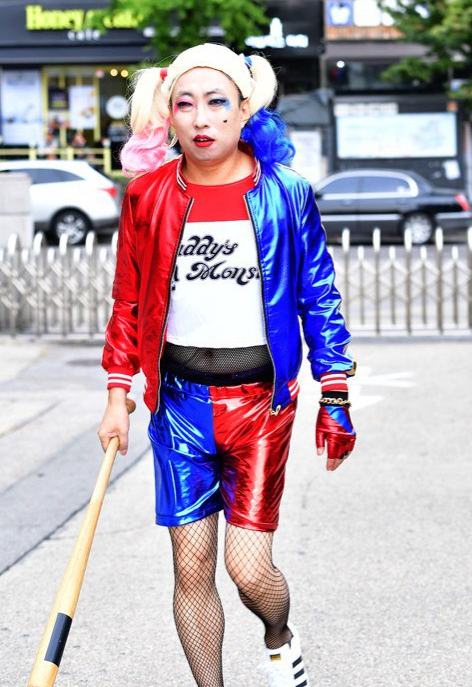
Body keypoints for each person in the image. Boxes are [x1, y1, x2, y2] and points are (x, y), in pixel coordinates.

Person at [98, 43, 357, 687]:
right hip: (178, 405)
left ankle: (278, 636)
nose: (201, 118)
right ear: (170, 114)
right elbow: (130, 300)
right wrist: (116, 393)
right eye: (185, 104)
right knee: (190, 569)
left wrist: (334, 397)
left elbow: (318, 296)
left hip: (260, 407)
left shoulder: (286, 194)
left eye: (217, 103)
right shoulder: (149, 196)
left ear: (245, 110)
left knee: (248, 569)